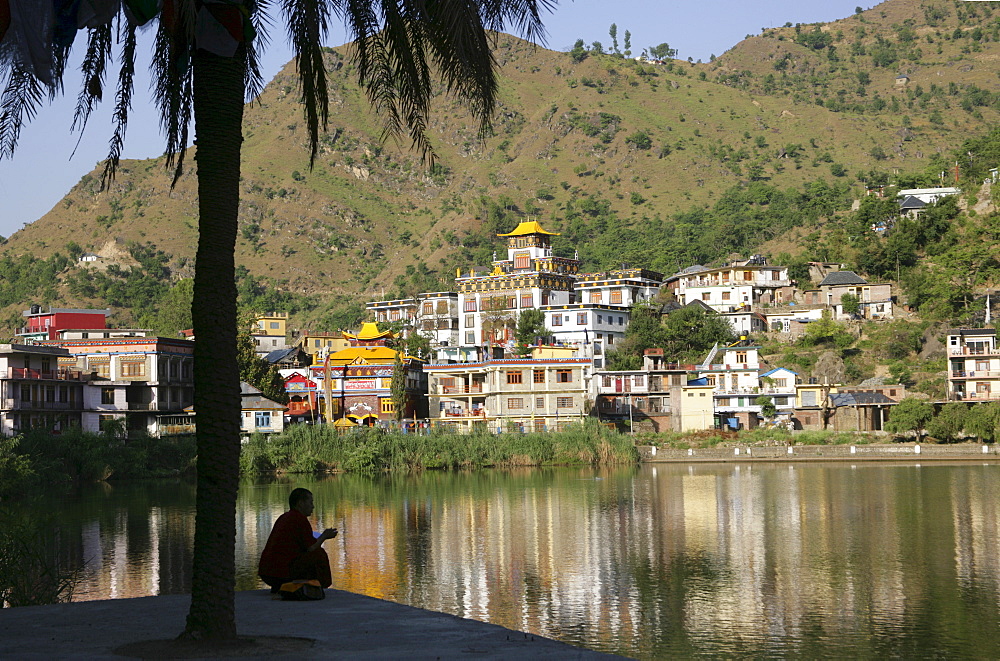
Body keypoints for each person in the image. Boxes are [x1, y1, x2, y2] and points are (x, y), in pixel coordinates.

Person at [258, 488, 337, 592]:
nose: (313, 506)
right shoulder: (299, 519)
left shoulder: (284, 517)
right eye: (310, 502)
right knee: (319, 553)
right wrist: (324, 536)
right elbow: (311, 548)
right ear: (300, 503)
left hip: (267, 572)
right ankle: (320, 586)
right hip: (281, 572)